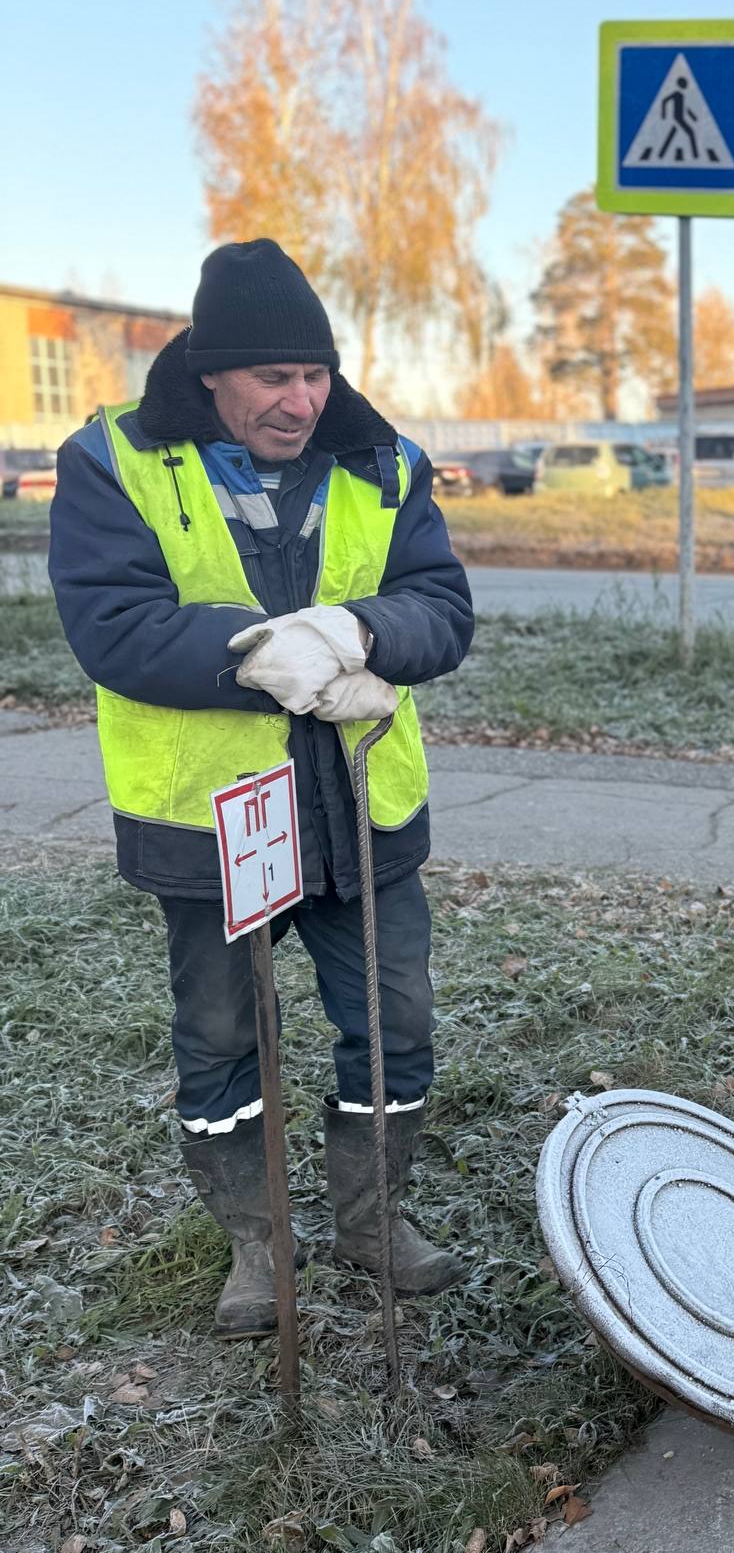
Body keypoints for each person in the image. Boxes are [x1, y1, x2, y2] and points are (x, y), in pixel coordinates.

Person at [48, 240, 475, 1338]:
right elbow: (115, 625)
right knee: (221, 1035)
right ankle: (257, 1240)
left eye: (316, 375)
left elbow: (441, 603)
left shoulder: (383, 463)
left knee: (395, 1021)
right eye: (275, 379)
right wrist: (256, 654)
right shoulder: (117, 462)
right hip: (214, 820)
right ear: (210, 376)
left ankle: (371, 1219)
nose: (303, 401)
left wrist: (360, 630)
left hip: (358, 804)